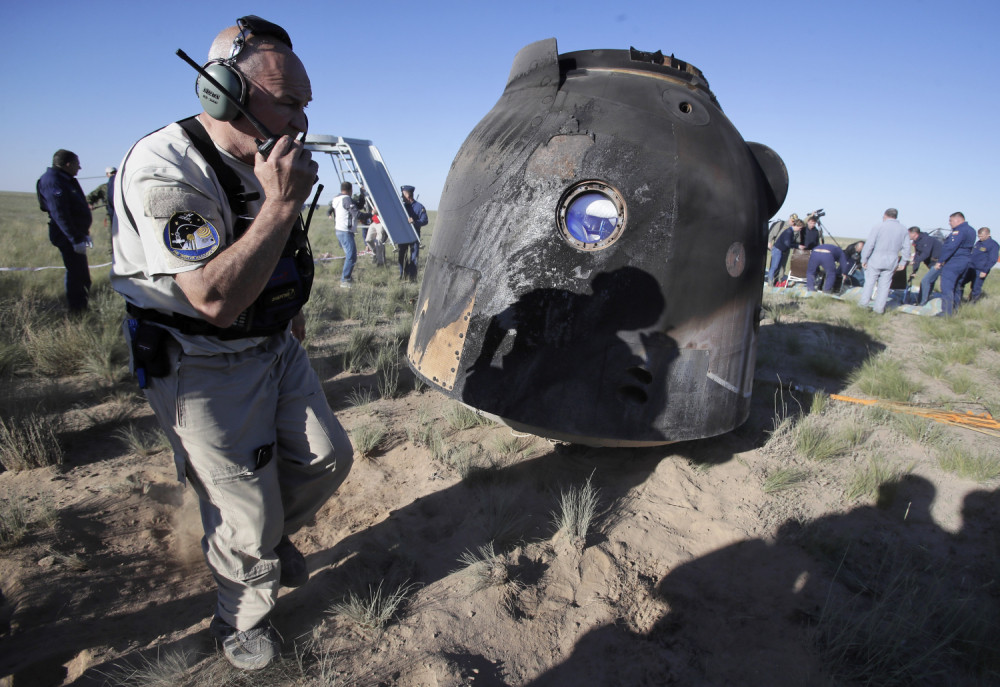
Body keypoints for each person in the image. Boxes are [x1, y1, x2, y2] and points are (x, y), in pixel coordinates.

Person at [109, 16, 352, 670]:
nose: (302, 120)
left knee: (327, 458)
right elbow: (213, 299)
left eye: (306, 103)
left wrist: (290, 311)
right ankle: (240, 619)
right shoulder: (166, 169)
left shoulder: (262, 158)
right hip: (200, 358)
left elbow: (277, 253)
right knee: (242, 507)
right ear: (221, 93)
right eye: (289, 102)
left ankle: (263, 538)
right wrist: (280, 204)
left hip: (272, 341)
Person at [36, 149, 93, 314]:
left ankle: (81, 307)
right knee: (77, 275)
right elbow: (59, 214)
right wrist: (75, 239)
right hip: (67, 235)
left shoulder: (66, 179)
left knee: (81, 274)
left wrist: (83, 234)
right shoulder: (53, 181)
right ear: (68, 164)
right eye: (77, 164)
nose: (79, 167)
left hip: (76, 234)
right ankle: (77, 311)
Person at [858, 208, 909, 314]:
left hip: (876, 258)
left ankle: (863, 305)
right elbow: (906, 248)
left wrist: (864, 258)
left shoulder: (879, 226)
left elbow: (870, 244)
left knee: (869, 283)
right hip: (892, 260)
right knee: (885, 286)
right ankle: (879, 309)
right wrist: (903, 262)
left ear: (885, 215)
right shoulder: (903, 229)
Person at [935, 212, 977, 315]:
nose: (949, 223)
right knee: (958, 287)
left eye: (951, 220)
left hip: (954, 262)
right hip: (966, 262)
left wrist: (940, 261)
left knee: (947, 287)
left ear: (958, 220)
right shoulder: (971, 230)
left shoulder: (959, 231)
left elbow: (951, 247)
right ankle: (955, 310)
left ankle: (946, 313)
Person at [960, 226, 999, 303]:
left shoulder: (993, 245)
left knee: (976, 288)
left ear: (988, 235)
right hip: (970, 268)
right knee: (961, 282)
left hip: (980, 270)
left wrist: (985, 271)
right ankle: (958, 300)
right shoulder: (978, 243)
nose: (980, 238)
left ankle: (972, 304)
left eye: (982, 236)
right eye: (979, 236)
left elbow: (992, 259)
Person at [331, 181, 359, 286]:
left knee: (349, 255)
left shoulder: (336, 199)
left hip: (339, 230)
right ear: (350, 190)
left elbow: (357, 205)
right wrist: (371, 215)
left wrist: (361, 196)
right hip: (345, 231)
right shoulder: (346, 199)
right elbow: (357, 214)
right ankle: (345, 280)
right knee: (351, 256)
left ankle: (347, 277)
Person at [399, 184, 428, 281]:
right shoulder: (402, 207)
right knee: (402, 256)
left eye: (403, 194)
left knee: (413, 257)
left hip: (414, 236)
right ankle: (402, 275)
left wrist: (415, 222)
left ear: (408, 195)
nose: (401, 196)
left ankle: (412, 278)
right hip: (403, 236)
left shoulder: (419, 207)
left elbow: (425, 220)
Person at [908, 226, 943, 306]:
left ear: (914, 233)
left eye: (908, 234)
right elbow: (917, 255)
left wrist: (915, 261)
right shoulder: (917, 242)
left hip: (939, 263)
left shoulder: (927, 240)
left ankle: (922, 302)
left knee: (925, 281)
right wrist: (914, 271)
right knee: (930, 281)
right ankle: (922, 300)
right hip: (932, 264)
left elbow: (925, 254)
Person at [765, 218, 800, 285]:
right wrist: (769, 242)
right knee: (774, 266)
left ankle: (778, 281)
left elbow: (797, 240)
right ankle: (770, 281)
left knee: (782, 267)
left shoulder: (796, 230)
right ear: (789, 219)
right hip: (778, 248)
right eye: (792, 221)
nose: (793, 223)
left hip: (786, 250)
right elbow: (772, 234)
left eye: (794, 222)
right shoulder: (782, 225)